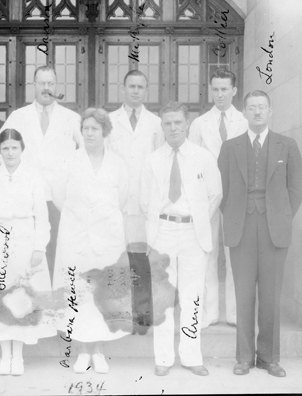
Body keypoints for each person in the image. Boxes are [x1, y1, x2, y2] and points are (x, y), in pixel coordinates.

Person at [218, 91, 302, 377]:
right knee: (243, 295)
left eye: (262, 108)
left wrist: (280, 217)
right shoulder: (230, 147)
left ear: (270, 111)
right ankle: (244, 357)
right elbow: (223, 190)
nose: (257, 112)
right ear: (244, 113)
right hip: (241, 229)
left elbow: (297, 188)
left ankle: (269, 358)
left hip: (273, 231)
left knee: (270, 296)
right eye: (252, 108)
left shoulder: (287, 145)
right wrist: (233, 216)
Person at [140, 101, 222, 377]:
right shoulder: (153, 160)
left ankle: (191, 356)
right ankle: (163, 358)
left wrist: (197, 221)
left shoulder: (203, 157)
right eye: (168, 123)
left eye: (178, 122)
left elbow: (215, 194)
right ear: (162, 126)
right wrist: (156, 232)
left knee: (192, 297)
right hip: (162, 233)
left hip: (192, 234)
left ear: (187, 124)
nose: (173, 128)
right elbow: (144, 201)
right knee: (163, 297)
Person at [0, 129, 55, 376]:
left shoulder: (33, 176)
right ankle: (6, 356)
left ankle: (19, 357)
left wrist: (39, 247)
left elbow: (43, 217)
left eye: (14, 147)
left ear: (21, 149)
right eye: (5, 148)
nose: (10, 152)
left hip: (25, 241)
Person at [52, 108, 131, 374]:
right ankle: (83, 352)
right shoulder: (69, 161)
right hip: (76, 238)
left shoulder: (117, 164)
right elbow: (58, 197)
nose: (89, 133)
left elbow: (122, 200)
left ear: (104, 132)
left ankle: (98, 351)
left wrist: (100, 222)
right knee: (79, 296)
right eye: (85, 128)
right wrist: (80, 220)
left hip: (106, 240)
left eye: (94, 129)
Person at [0, 66, 82, 278]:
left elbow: (84, 154)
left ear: (56, 85)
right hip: (28, 198)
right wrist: (16, 175)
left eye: (50, 83)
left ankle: (56, 301)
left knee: (57, 250)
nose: (46, 88)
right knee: (27, 251)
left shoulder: (71, 118)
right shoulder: (19, 116)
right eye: (42, 83)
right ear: (34, 85)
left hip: (58, 199)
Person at [189, 69, 248, 328]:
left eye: (225, 89)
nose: (220, 94)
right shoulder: (199, 124)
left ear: (234, 90)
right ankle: (209, 312)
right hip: (208, 197)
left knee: (235, 252)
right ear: (210, 90)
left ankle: (234, 313)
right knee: (208, 251)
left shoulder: (245, 122)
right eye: (216, 89)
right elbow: (191, 163)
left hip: (236, 196)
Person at [107, 70, 164, 334]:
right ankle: (118, 317)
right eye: (131, 86)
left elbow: (162, 162)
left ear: (146, 90)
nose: (136, 90)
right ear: (123, 88)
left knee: (140, 262)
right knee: (117, 261)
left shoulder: (155, 123)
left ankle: (142, 320)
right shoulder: (110, 121)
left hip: (143, 205)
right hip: (116, 203)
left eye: (141, 86)